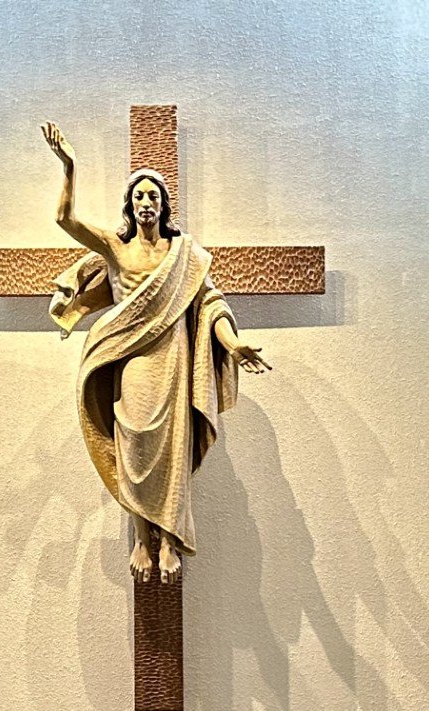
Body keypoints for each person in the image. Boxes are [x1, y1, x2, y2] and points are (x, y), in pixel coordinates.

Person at [41, 120, 269, 584]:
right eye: (139, 196)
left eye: (154, 197)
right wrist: (69, 166)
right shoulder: (115, 248)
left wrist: (234, 343)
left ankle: (168, 539)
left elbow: (210, 303)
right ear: (130, 205)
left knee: (173, 446)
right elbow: (66, 220)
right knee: (136, 436)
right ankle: (142, 535)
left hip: (173, 358)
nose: (147, 203)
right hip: (133, 359)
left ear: (165, 207)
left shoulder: (184, 255)